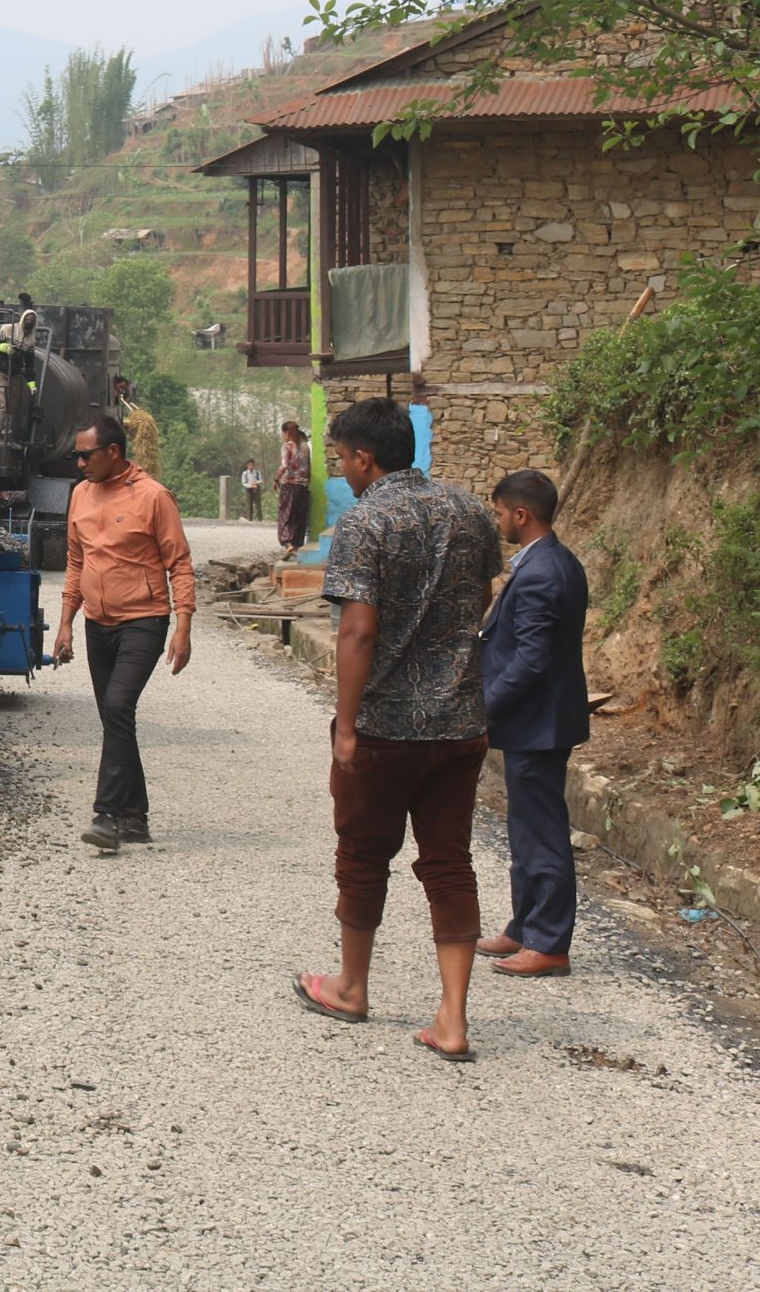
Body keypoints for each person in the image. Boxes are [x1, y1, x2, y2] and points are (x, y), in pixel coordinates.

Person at [292, 397, 500, 1063]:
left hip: (386, 724)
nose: (343, 470)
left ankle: (352, 986)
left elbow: (357, 627)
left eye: (344, 457)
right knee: (448, 862)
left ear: (365, 457)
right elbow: (480, 599)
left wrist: (346, 727)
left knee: (362, 855)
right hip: (460, 721)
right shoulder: (472, 512)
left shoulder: (366, 521)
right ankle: (453, 1018)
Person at [52, 414, 195, 853]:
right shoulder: (80, 495)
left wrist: (183, 625)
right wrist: (65, 623)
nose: (79, 463)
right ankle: (136, 818)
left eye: (85, 455)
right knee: (115, 718)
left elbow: (180, 562)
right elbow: (76, 561)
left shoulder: (153, 497)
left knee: (117, 706)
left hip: (144, 620)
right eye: (77, 455)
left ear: (113, 452)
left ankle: (107, 815)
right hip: (98, 623)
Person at [478, 469, 591, 979]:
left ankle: (549, 942)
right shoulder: (548, 562)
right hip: (534, 721)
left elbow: (532, 658)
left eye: (500, 513)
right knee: (524, 828)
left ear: (521, 515)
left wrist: (485, 706)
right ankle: (524, 926)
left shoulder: (544, 570)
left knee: (541, 831)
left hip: (538, 723)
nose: (497, 521)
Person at [275, 420, 312, 559]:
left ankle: (288, 544)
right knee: (299, 517)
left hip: (289, 486)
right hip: (302, 487)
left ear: (286, 432)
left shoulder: (287, 446)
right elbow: (308, 468)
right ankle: (296, 547)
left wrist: (276, 479)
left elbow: (284, 465)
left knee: (286, 516)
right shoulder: (305, 448)